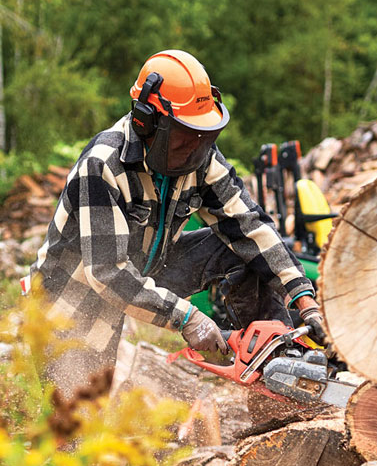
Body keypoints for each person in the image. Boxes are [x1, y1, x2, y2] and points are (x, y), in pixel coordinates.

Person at [29, 49, 326, 397]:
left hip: (148, 266)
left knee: (238, 249)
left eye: (202, 137)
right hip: (74, 297)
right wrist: (188, 317)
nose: (195, 149)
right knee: (82, 422)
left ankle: (277, 367)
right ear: (147, 121)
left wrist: (301, 294)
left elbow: (249, 224)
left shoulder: (198, 157)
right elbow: (108, 272)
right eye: (185, 136)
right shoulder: (102, 166)